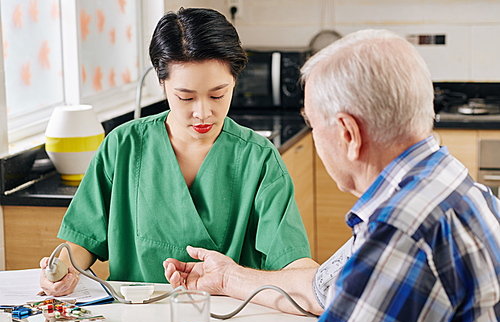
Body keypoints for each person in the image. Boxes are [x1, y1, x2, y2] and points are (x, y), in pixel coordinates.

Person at [164, 29, 500, 322]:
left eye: (312, 124)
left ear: (348, 133)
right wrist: (227, 277)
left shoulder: (399, 231)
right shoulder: (454, 185)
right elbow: (328, 285)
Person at [39, 7, 314, 297]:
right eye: (186, 97)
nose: (203, 112)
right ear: (162, 84)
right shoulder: (123, 147)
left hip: (231, 320)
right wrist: (62, 269)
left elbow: (291, 259)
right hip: (136, 320)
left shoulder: (259, 159)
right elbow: (81, 242)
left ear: (234, 80)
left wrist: (316, 283)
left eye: (218, 95)